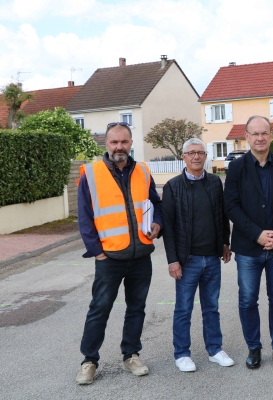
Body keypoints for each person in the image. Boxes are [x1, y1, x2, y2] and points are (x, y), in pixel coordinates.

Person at [75, 122, 162, 384]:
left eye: (124, 142)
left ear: (131, 143)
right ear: (106, 144)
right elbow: (85, 216)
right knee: (99, 309)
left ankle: (131, 355)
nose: (119, 147)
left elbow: (155, 203)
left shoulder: (143, 171)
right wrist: (97, 252)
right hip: (109, 258)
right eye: (114, 142)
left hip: (140, 256)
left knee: (136, 308)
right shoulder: (90, 173)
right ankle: (89, 361)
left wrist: (158, 222)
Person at [224, 115, 273, 369]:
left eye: (264, 133)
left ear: (271, 135)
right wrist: (257, 234)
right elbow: (231, 207)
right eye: (254, 133)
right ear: (246, 137)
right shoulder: (236, 168)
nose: (260, 138)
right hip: (248, 247)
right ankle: (254, 348)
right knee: (248, 299)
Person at [162, 138, 234, 372]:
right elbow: (168, 227)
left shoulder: (214, 183)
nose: (195, 157)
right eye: (191, 153)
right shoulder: (173, 186)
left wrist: (225, 242)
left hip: (212, 258)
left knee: (211, 307)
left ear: (205, 156)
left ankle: (215, 349)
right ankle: (182, 353)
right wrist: (173, 260)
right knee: (183, 308)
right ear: (183, 157)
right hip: (187, 259)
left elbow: (222, 216)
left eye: (200, 152)